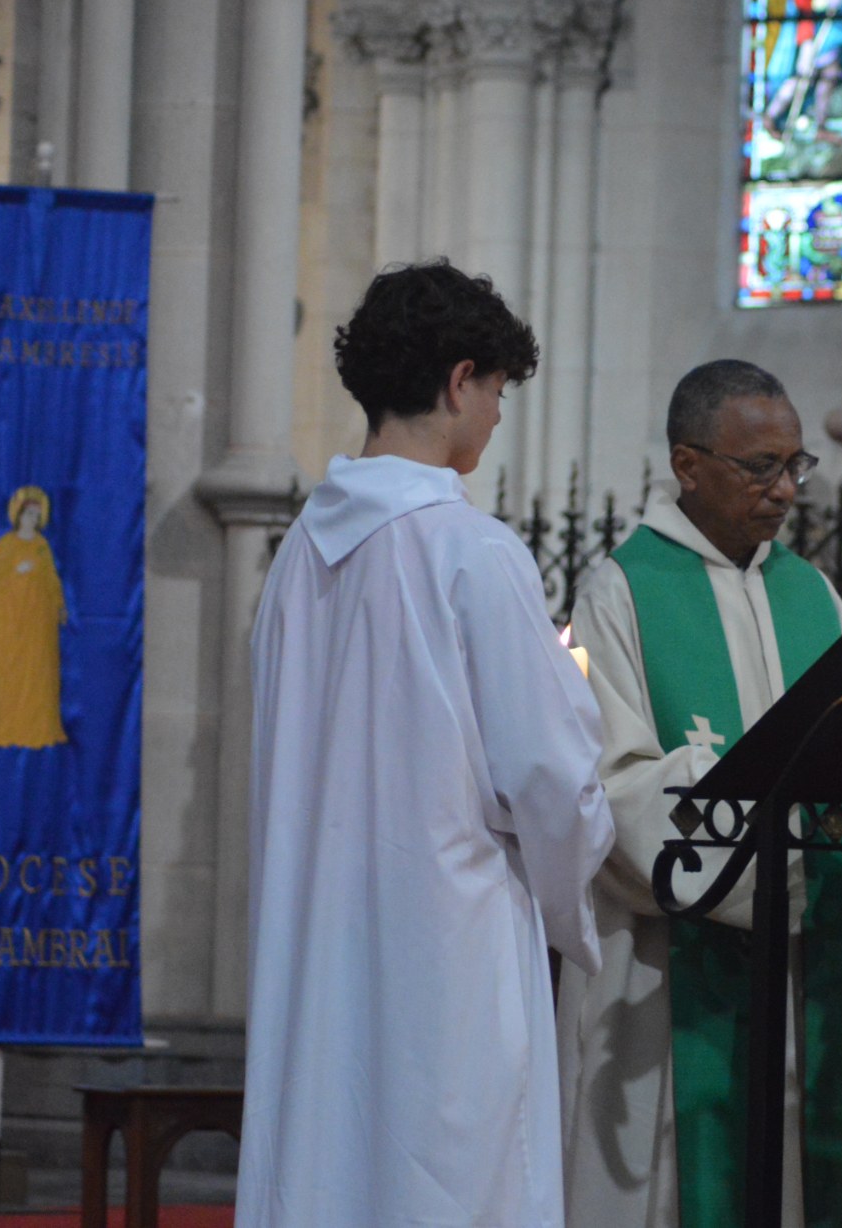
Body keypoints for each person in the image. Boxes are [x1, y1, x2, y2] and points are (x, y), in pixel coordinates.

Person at [236, 262, 615, 1228]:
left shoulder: (293, 563)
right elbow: (555, 778)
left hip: (314, 953)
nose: (494, 417)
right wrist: (577, 912)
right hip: (446, 965)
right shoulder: (470, 552)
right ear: (458, 380)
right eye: (494, 391)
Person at [561, 360, 842, 1228]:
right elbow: (609, 786)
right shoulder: (622, 590)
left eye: (796, 466)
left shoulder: (812, 593)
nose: (784, 491)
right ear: (687, 465)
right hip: (670, 968)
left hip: (802, 958)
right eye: (759, 467)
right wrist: (725, 798)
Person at [0, 484, 68, 748]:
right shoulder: (4, 547)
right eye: (28, 514)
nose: (32, 519)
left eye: (36, 514)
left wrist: (59, 605)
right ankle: (12, 725)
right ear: (18, 515)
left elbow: (52, 581)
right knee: (14, 676)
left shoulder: (42, 546)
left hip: (39, 626)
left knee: (39, 675)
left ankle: (38, 727)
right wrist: (17, 573)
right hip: (12, 626)